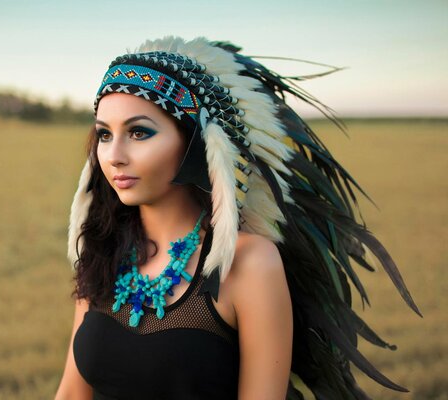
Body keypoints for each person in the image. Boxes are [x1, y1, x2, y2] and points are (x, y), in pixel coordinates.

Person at [55, 36, 421, 400]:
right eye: (104, 134)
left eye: (139, 132)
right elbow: (72, 393)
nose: (114, 155)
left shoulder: (248, 262)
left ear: (197, 143)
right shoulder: (102, 250)